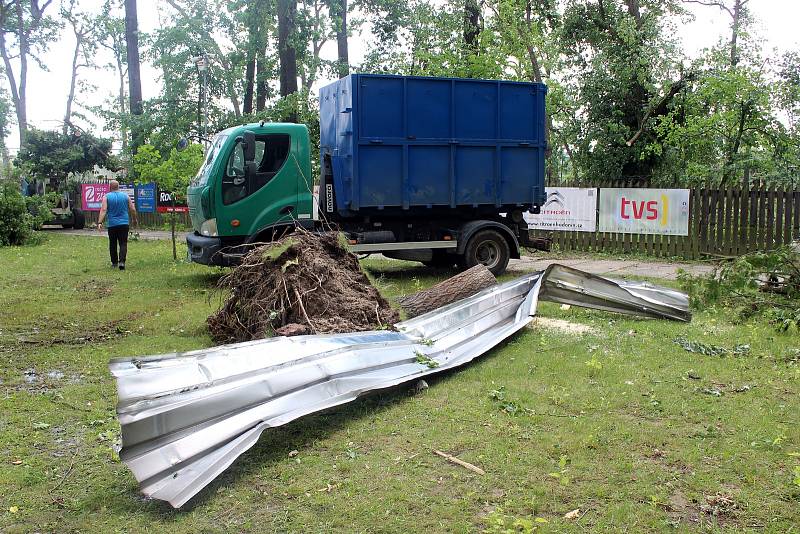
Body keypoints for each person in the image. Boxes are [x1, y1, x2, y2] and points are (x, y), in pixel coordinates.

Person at [96, 180, 138, 270]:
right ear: (118, 186)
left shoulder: (106, 197)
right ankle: (122, 262)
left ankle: (114, 263)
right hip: (124, 223)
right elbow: (133, 209)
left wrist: (100, 222)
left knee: (112, 243)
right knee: (123, 243)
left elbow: (103, 210)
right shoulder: (126, 196)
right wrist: (134, 220)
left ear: (110, 187)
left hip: (112, 224)